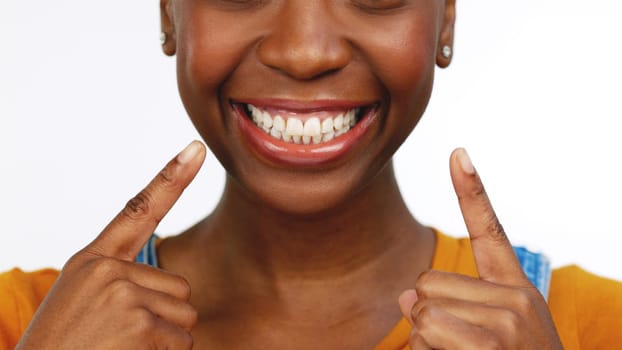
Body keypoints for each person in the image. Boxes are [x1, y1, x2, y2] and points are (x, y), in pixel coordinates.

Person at [1, 1, 621, 349]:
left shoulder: (596, 324)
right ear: (168, 12)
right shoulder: (22, 323)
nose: (304, 53)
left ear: (446, 20)